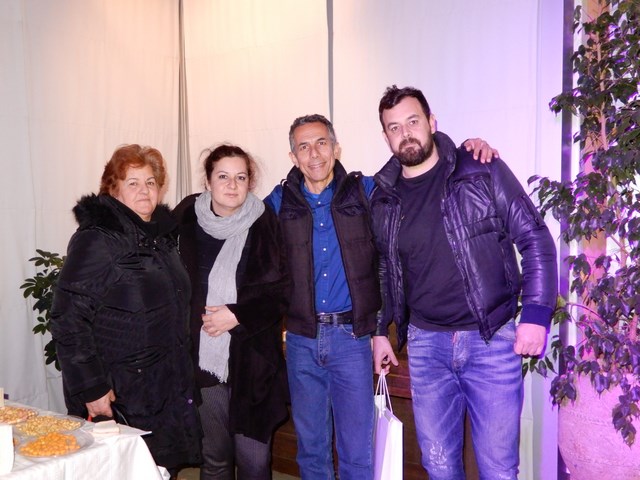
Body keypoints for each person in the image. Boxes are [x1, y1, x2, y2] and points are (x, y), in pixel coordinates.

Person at [265, 114, 495, 480]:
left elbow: (417, 167)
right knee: (311, 451)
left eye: (322, 143)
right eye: (304, 147)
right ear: (293, 157)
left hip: (352, 339)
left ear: (336, 148)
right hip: (300, 340)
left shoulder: (366, 192)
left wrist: (467, 152)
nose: (314, 154)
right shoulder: (279, 203)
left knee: (357, 452)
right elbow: (241, 226)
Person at [371, 85, 558, 480]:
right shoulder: (384, 197)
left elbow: (535, 238)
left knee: (498, 468)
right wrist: (379, 330)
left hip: (490, 341)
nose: (405, 133)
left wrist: (536, 315)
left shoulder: (479, 169)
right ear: (385, 136)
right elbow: (384, 269)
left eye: (412, 121)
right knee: (438, 465)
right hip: (426, 347)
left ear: (431, 122)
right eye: (394, 127)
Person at [50, 144, 202, 476]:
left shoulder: (161, 239)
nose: (144, 190)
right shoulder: (98, 240)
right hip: (120, 392)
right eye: (132, 182)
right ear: (113, 189)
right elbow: (68, 318)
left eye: (150, 182)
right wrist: (92, 388)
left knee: (159, 469)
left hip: (163, 385)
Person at [173, 144, 290, 480]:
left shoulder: (264, 221)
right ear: (208, 181)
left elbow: (282, 291)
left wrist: (238, 315)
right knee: (215, 459)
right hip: (203, 362)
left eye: (240, 177)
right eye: (223, 176)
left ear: (250, 182)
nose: (232, 185)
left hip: (251, 360)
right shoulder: (184, 218)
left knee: (254, 461)